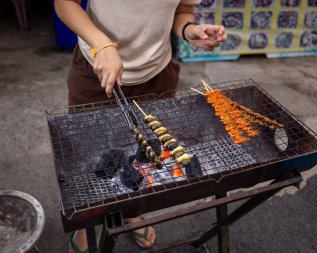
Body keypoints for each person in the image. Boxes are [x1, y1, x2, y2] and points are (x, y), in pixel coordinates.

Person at [54, 0, 227, 251]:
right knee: (88, 156)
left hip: (157, 73)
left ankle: (130, 210)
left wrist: (189, 29)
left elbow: (182, 9)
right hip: (96, 68)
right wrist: (102, 44)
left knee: (142, 151)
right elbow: (64, 3)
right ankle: (85, 225)